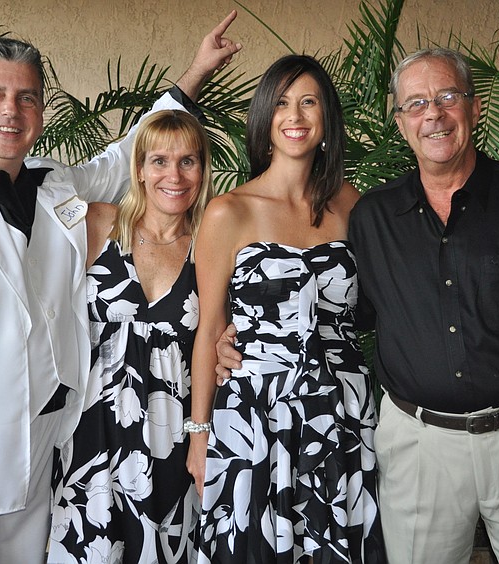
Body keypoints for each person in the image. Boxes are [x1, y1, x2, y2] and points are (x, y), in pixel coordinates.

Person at [0, 13, 241, 563]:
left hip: (39, 470)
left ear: (41, 113)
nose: (11, 110)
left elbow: (127, 157)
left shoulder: (55, 186)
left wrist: (194, 73)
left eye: (27, 98)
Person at [218, 47, 499, 563]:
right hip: (418, 445)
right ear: (401, 120)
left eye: (447, 96)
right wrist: (229, 336)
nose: (433, 113)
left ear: (475, 109)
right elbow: (330, 306)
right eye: (416, 103)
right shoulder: (373, 216)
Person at [188, 54, 386, 563]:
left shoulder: (350, 204)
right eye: (281, 103)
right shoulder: (229, 211)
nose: (294, 116)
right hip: (255, 414)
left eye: (308, 103)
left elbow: (384, 302)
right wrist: (199, 434)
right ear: (264, 118)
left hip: (341, 409)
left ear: (325, 120)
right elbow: (210, 327)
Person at [47, 109, 213, 563]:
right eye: (159, 161)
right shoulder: (99, 223)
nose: (173, 175)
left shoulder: (213, 243)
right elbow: (36, 191)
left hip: (174, 436)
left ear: (203, 169)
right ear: (138, 168)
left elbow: (224, 327)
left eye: (188, 161)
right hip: (91, 432)